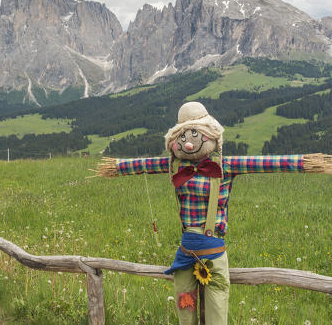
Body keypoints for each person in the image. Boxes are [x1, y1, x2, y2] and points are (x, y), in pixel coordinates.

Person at [98, 101, 330, 325]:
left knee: (217, 310)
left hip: (214, 252)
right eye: (183, 138)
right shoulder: (176, 166)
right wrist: (116, 167)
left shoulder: (225, 165)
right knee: (184, 304)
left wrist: (306, 163)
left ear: (211, 135)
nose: (188, 145)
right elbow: (143, 165)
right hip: (185, 253)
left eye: (195, 136)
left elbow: (267, 162)